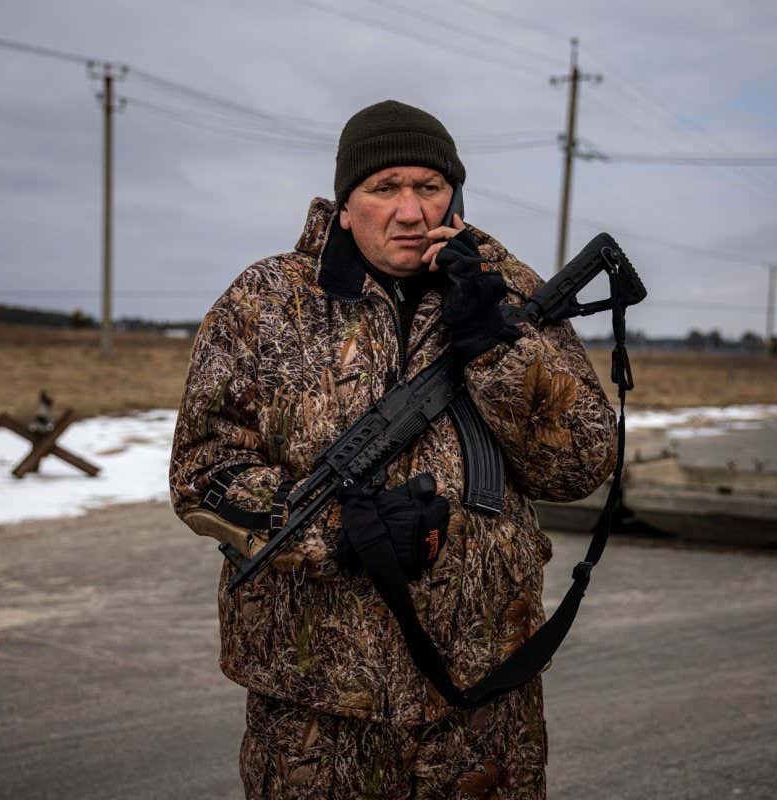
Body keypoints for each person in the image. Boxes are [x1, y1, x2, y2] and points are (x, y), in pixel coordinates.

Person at [170, 99, 618, 798]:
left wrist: (496, 350)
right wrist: (342, 533)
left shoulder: (507, 292)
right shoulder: (263, 303)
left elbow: (580, 465)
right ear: (345, 204)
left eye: (429, 188)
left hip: (483, 701)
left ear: (455, 195)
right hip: (317, 711)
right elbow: (203, 475)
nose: (410, 212)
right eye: (385, 189)